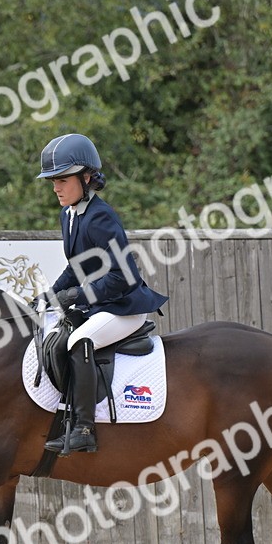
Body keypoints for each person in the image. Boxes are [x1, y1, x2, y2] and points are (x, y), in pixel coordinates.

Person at [35, 133, 168, 454]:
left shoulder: (101, 217)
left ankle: (84, 428)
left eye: (62, 180)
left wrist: (75, 296)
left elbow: (123, 277)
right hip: (100, 306)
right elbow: (76, 267)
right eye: (53, 181)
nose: (55, 188)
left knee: (80, 341)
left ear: (86, 178)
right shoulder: (69, 215)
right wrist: (51, 295)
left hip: (124, 306)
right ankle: (67, 419)